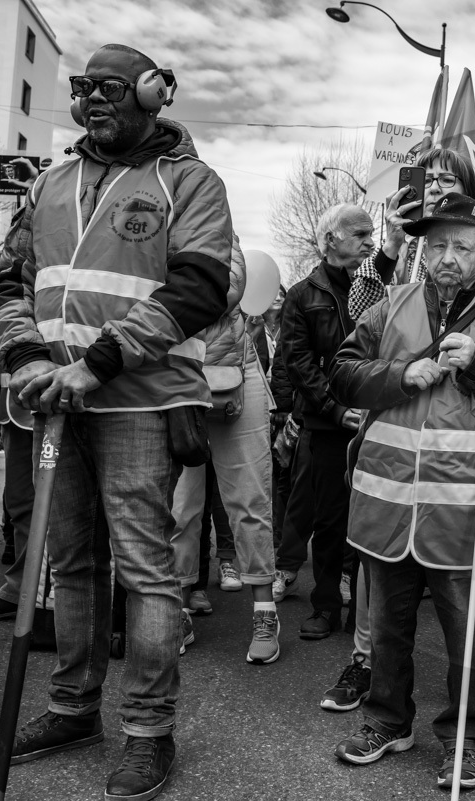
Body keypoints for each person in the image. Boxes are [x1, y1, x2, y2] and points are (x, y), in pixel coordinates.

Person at [0, 44, 232, 801]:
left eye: (112, 88)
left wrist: (97, 361)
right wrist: (26, 359)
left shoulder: (188, 181)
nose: (94, 101)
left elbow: (199, 288)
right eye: (84, 88)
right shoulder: (49, 181)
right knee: (72, 565)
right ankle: (72, 708)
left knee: (149, 572)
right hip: (55, 400)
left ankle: (149, 731)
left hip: (138, 401)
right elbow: (8, 280)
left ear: (154, 93)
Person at [329, 193, 475, 791]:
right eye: (435, 245)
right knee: (388, 624)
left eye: (461, 246)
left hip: (464, 503)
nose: (445, 257)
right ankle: (387, 721)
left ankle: (466, 736)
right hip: (389, 499)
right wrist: (399, 374)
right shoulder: (391, 303)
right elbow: (343, 372)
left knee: (467, 630)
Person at [168, 234, 280, 664]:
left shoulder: (216, 223)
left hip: (234, 367)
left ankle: (265, 612)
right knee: (180, 506)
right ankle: (176, 611)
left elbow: (226, 289)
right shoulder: (143, 214)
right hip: (176, 369)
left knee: (249, 496)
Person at [278, 204, 389, 640]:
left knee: (372, 517)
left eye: (371, 234)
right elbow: (301, 365)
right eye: (360, 234)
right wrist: (337, 410)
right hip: (327, 426)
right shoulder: (302, 295)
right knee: (328, 520)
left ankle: (367, 609)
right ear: (330, 240)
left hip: (374, 419)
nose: (369, 241)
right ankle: (324, 606)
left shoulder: (378, 287)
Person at [346, 147, 475, 321]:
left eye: (446, 180)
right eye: (426, 181)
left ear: (467, 192)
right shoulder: (401, 248)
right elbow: (360, 313)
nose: (434, 188)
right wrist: (392, 245)